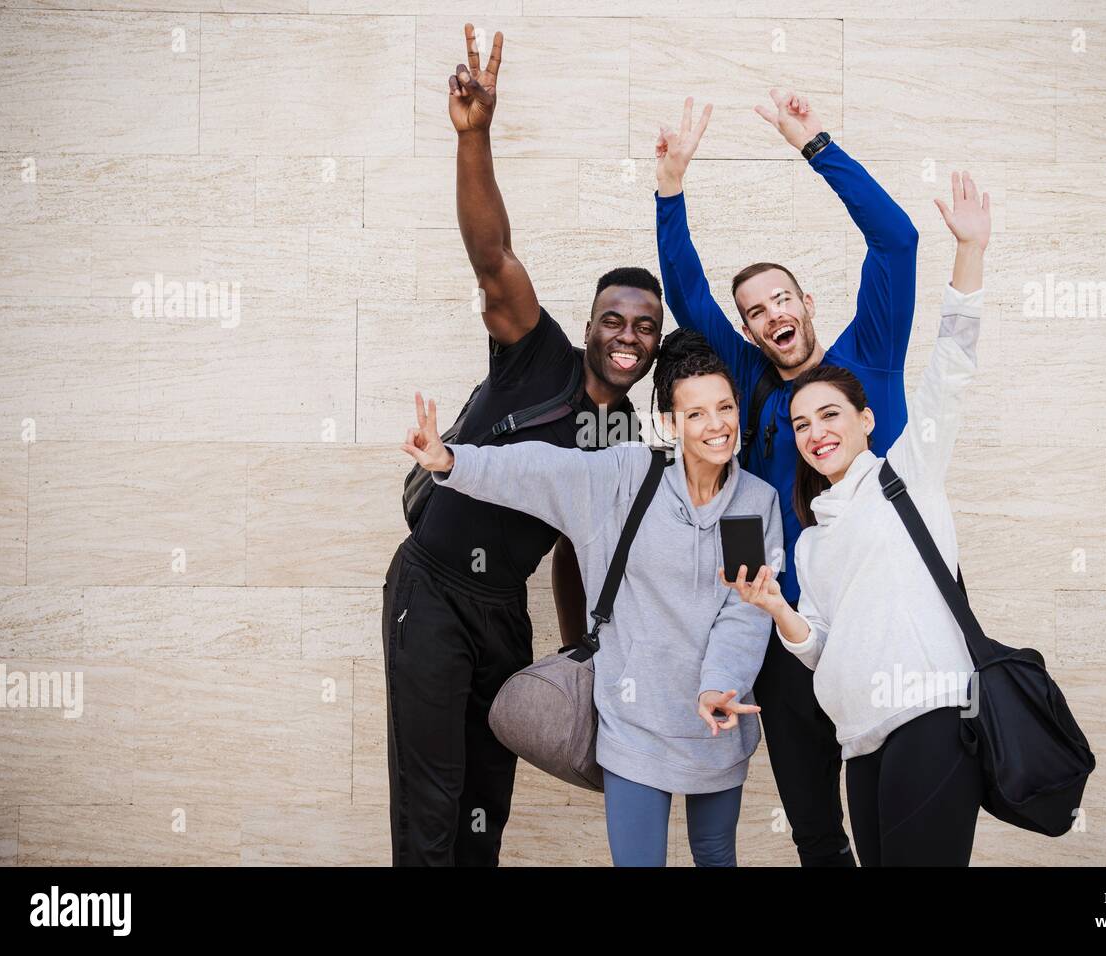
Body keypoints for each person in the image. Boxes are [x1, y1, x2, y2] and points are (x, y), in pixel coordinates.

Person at [381, 23, 663, 866]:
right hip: (431, 590)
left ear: (654, 346)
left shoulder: (625, 437)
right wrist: (477, 137)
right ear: (588, 327)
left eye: (644, 327)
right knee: (430, 804)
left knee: (482, 808)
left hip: (505, 610)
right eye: (614, 319)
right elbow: (490, 250)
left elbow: (582, 547)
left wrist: (582, 647)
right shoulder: (533, 346)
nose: (627, 335)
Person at [654, 92, 919, 866]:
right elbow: (686, 293)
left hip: (879, 631)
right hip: (787, 641)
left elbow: (896, 241)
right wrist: (670, 189)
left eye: (782, 298)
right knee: (816, 834)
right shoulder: (748, 376)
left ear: (807, 304)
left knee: (893, 828)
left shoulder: (866, 359)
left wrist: (816, 145)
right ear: (746, 331)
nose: (772, 314)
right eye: (755, 310)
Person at [401, 329, 783, 867]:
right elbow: (539, 470)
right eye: (695, 414)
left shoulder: (756, 501)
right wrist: (453, 462)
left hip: (715, 722)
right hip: (633, 724)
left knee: (716, 854)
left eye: (725, 407)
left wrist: (722, 683)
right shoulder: (627, 475)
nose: (716, 425)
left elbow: (746, 612)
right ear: (671, 425)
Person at [722, 170, 991, 866]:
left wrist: (970, 253)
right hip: (861, 738)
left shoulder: (910, 471)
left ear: (867, 419)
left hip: (928, 716)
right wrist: (778, 610)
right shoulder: (810, 542)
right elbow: (816, 647)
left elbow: (953, 360)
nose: (816, 431)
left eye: (831, 415)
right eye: (802, 422)